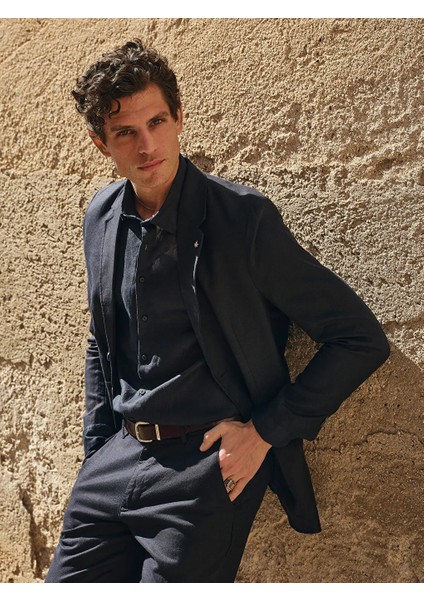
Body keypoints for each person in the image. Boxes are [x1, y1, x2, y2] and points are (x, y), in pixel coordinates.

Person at [45, 39, 390, 583]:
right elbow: (101, 338)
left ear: (179, 117)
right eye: (125, 132)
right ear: (100, 143)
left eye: (157, 122)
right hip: (113, 464)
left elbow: (358, 338)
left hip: (204, 472)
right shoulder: (101, 217)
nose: (147, 145)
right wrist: (96, 449)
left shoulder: (241, 219)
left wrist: (264, 432)